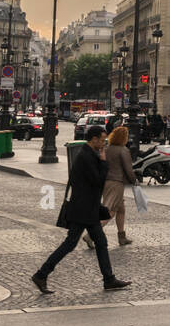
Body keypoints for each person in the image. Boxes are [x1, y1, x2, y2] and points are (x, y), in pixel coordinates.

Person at [32, 125, 130, 293]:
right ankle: (41, 274)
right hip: (83, 210)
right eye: (102, 140)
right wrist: (104, 162)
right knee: (70, 244)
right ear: (94, 139)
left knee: (100, 242)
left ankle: (109, 279)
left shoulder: (88, 154)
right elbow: (98, 180)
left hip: (88, 208)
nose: (104, 143)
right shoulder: (87, 157)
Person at [93, 125, 136, 248]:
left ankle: (122, 237)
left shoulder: (106, 149)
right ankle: (91, 235)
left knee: (121, 209)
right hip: (117, 183)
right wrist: (134, 181)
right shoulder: (123, 150)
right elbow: (128, 169)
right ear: (124, 138)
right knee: (110, 211)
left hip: (106, 182)